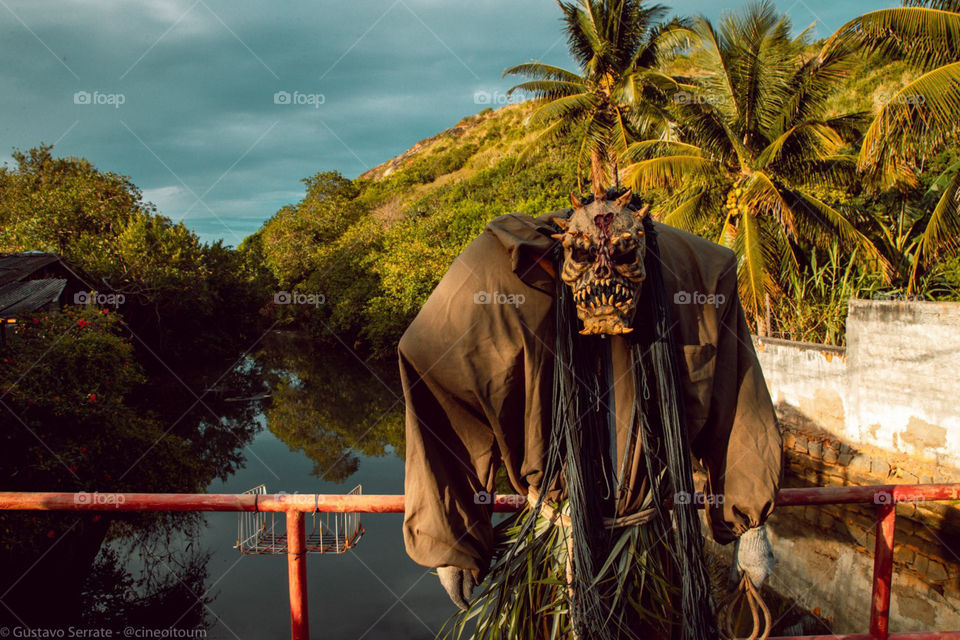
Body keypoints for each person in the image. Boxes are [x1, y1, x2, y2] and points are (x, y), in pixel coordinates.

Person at [399, 185, 782, 639]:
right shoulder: (507, 270)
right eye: (583, 258)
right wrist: (451, 539)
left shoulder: (694, 269)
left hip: (653, 535)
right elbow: (433, 368)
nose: (603, 274)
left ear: (639, 247)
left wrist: (748, 521)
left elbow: (736, 397)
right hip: (557, 540)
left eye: (621, 257)